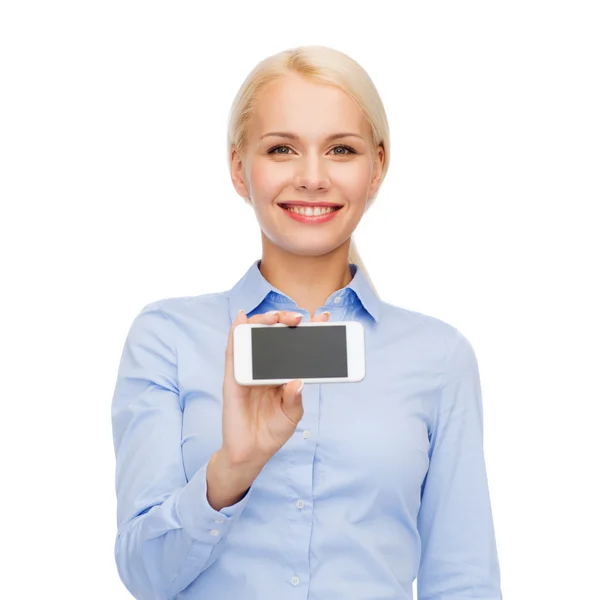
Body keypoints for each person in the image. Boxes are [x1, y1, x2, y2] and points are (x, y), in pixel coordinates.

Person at [111, 45, 503, 600]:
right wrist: (232, 470)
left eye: (341, 149)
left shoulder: (438, 357)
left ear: (377, 168)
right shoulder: (168, 340)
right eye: (281, 149)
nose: (313, 177)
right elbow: (145, 578)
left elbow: (463, 583)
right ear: (238, 169)